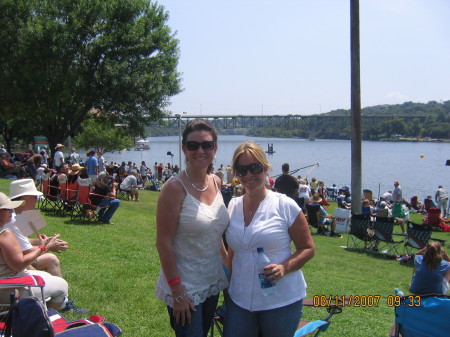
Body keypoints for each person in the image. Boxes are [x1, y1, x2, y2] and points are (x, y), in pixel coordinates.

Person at [224, 142, 315, 337]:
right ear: (236, 174)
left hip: (280, 300)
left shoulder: (285, 205)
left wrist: (284, 267)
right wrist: (227, 287)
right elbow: (233, 251)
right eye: (242, 170)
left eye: (254, 168)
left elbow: (307, 248)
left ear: (266, 169)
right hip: (239, 299)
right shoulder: (232, 206)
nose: (248, 175)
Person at [155, 119, 229, 337]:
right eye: (193, 145)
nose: (200, 150)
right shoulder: (174, 188)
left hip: (212, 280)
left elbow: (215, 233)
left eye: (206, 145)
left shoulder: (216, 181)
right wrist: (177, 291)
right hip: (185, 285)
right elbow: (163, 243)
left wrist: (228, 267)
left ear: (215, 148)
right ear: (184, 148)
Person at [0, 192, 68, 310]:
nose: (12, 211)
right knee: (62, 287)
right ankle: (40, 325)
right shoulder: (5, 234)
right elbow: (19, 265)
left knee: (47, 275)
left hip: (6, 281)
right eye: (8, 209)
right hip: (7, 288)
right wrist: (44, 247)